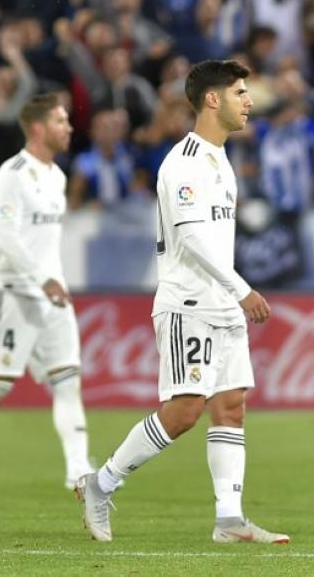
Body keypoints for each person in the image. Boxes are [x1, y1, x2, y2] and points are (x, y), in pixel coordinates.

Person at [76, 60, 289, 545]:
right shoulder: (185, 162)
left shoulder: (220, 160)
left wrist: (232, 295)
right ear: (212, 100)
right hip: (188, 302)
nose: (249, 101)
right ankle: (101, 483)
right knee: (185, 411)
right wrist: (243, 289)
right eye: (240, 92)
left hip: (221, 304)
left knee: (231, 406)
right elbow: (191, 239)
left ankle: (229, 520)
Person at [0, 93, 93, 490]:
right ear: (39, 128)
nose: (69, 128)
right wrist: (43, 278)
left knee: (67, 380)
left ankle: (78, 468)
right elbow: (6, 238)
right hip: (15, 293)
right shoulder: (11, 175)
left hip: (53, 297)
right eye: (61, 121)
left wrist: (52, 281)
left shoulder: (57, 177)